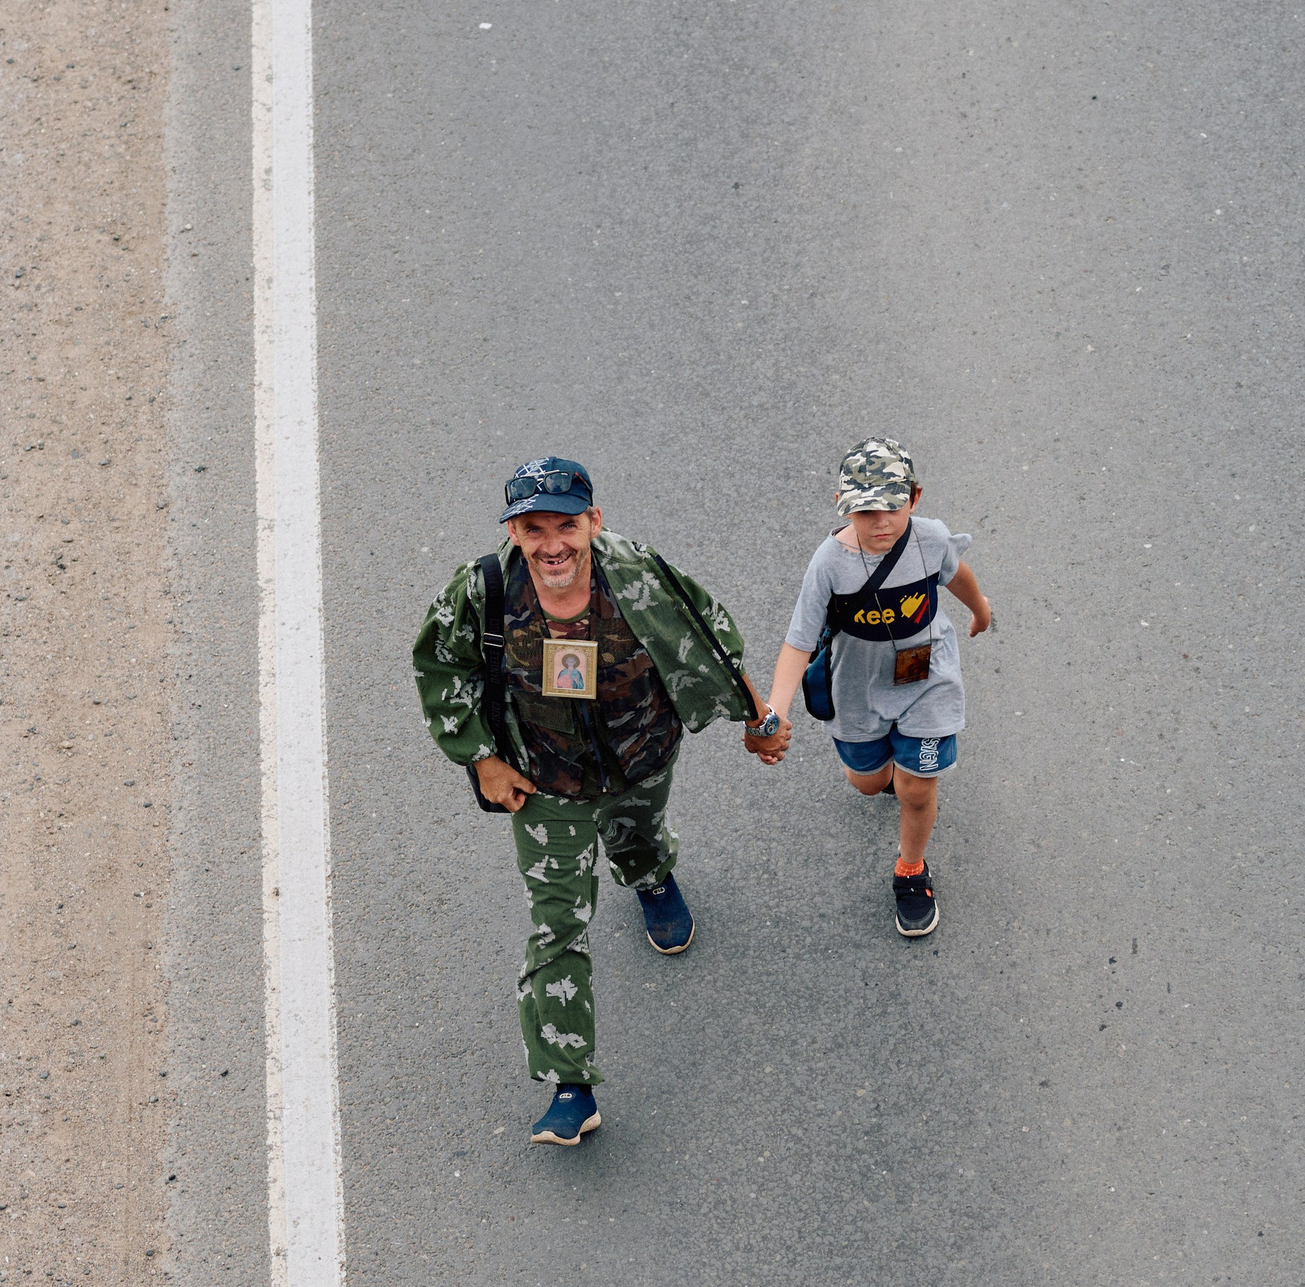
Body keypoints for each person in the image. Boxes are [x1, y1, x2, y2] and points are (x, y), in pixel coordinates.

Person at [413, 458, 791, 1145]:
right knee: (557, 924)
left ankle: (649, 877)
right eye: (534, 529)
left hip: (640, 757)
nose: (552, 543)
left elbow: (709, 639)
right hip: (545, 783)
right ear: (515, 531)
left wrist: (756, 720)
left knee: (638, 838)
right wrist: (483, 758)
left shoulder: (636, 575)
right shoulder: (484, 592)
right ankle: (570, 1084)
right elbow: (442, 668)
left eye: (567, 524)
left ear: (595, 520)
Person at [761, 438, 992, 937]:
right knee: (867, 782)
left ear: (914, 496)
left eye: (892, 505)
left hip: (929, 681)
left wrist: (980, 609)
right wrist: (776, 710)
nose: (880, 521)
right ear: (843, 507)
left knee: (916, 787)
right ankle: (893, 775)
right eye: (865, 510)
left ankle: (911, 869)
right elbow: (798, 643)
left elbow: (957, 573)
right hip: (857, 692)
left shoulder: (929, 538)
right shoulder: (828, 563)